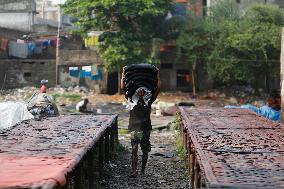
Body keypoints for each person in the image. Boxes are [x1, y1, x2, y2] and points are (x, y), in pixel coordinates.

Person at [121, 68, 161, 178]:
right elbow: (123, 88)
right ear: (136, 92)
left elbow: (158, 89)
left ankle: (142, 170)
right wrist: (123, 74)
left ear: (145, 92)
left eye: (143, 91)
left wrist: (157, 75)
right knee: (134, 148)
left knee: (145, 150)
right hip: (135, 128)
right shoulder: (131, 99)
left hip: (146, 127)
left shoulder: (149, 100)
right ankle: (133, 171)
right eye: (139, 91)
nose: (140, 92)